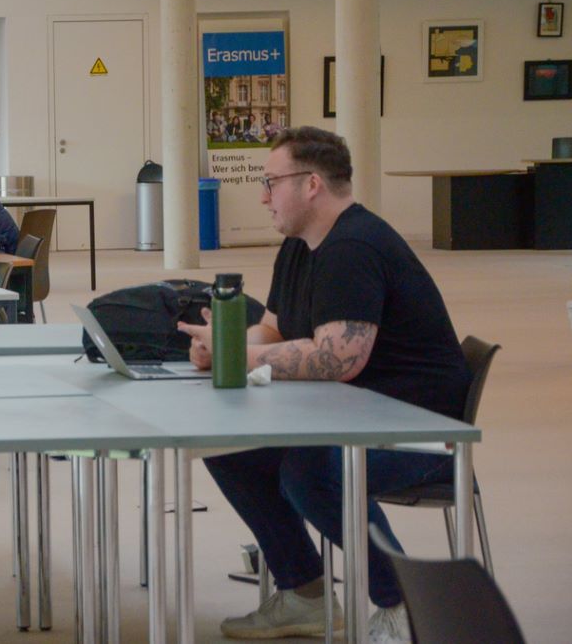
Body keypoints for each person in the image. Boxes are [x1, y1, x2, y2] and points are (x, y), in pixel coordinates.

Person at [178, 126, 470, 644]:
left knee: (310, 471)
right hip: (357, 416)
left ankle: (404, 605)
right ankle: (306, 594)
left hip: (420, 431)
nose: (263, 196)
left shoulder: (354, 247)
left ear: (311, 184)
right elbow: (272, 327)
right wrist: (223, 344)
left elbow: (340, 359)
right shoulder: (301, 245)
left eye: (271, 182)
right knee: (229, 450)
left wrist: (239, 357)